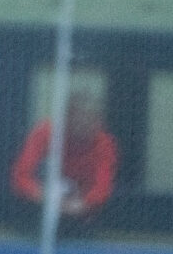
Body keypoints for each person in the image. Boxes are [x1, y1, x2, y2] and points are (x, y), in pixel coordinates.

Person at [11, 91, 117, 235]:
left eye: (92, 119)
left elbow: (102, 187)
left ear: (100, 121)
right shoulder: (45, 133)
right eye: (80, 118)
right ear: (67, 118)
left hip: (80, 211)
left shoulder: (105, 144)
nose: (85, 124)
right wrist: (46, 198)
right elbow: (21, 176)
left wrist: (81, 204)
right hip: (40, 206)